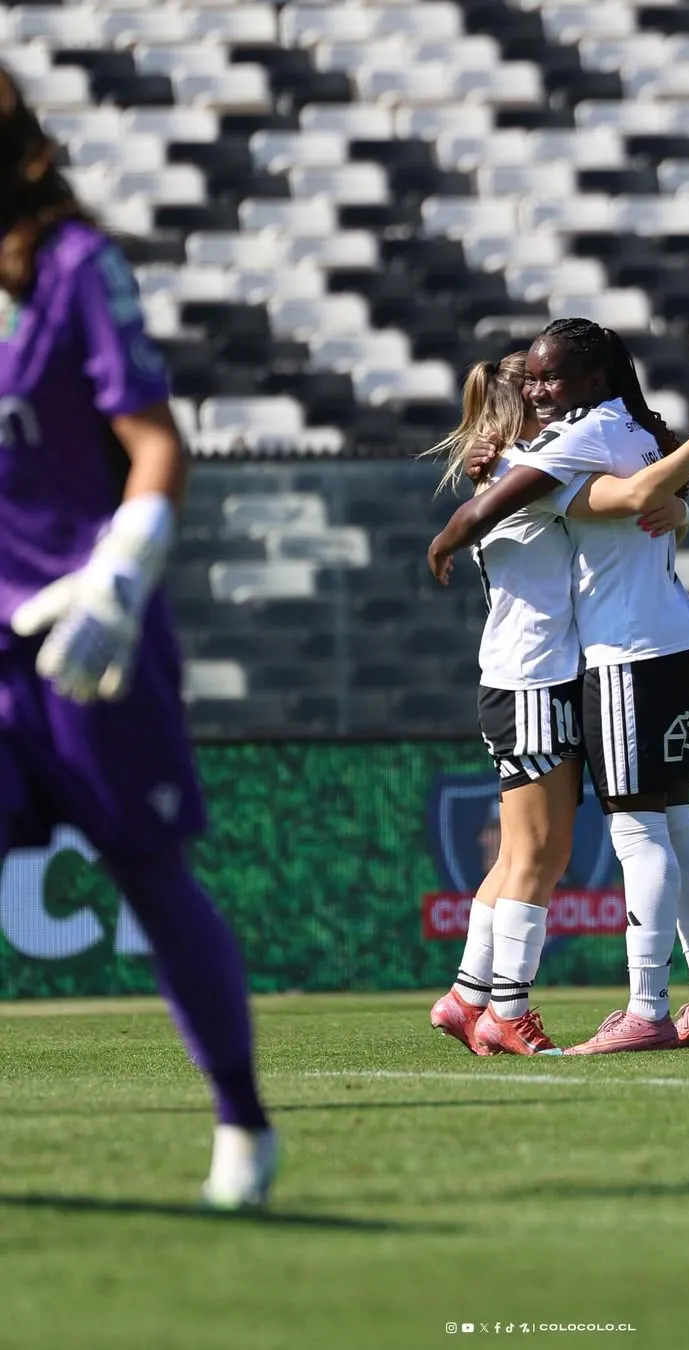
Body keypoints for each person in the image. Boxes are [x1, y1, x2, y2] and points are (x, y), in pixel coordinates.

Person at [0, 66, 275, 1202]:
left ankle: (242, 1129)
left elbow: (157, 447)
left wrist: (115, 578)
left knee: (149, 874)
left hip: (88, 635)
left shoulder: (75, 268)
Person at [429, 319, 689, 1054]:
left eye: (552, 380)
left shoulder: (566, 446)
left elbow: (635, 493)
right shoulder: (612, 429)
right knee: (654, 828)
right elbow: (643, 493)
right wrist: (685, 492)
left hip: (614, 655)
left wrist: (448, 535)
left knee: (585, 841)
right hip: (650, 645)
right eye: (533, 384)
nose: (542, 395)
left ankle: (634, 1007)